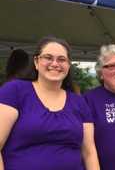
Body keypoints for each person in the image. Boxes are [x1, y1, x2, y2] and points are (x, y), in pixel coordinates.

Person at [0, 37, 100, 170]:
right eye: (48, 57)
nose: (55, 63)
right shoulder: (14, 91)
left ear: (68, 65)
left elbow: (89, 153)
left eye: (62, 59)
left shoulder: (78, 102)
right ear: (36, 62)